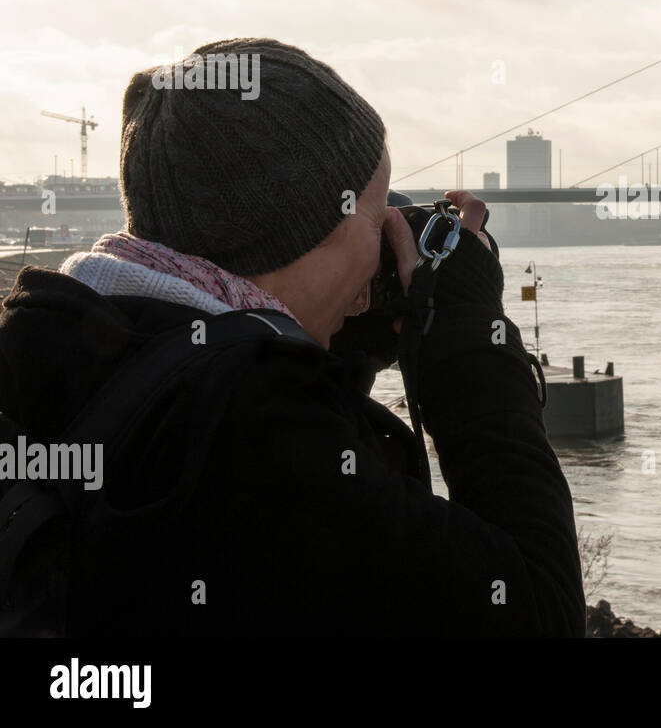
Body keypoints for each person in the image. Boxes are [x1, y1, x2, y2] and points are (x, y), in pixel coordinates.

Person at [0, 39, 585, 636]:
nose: (384, 238)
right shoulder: (265, 449)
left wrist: (334, 350)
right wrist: (467, 339)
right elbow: (540, 610)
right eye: (376, 211)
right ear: (308, 231)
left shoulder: (47, 342)